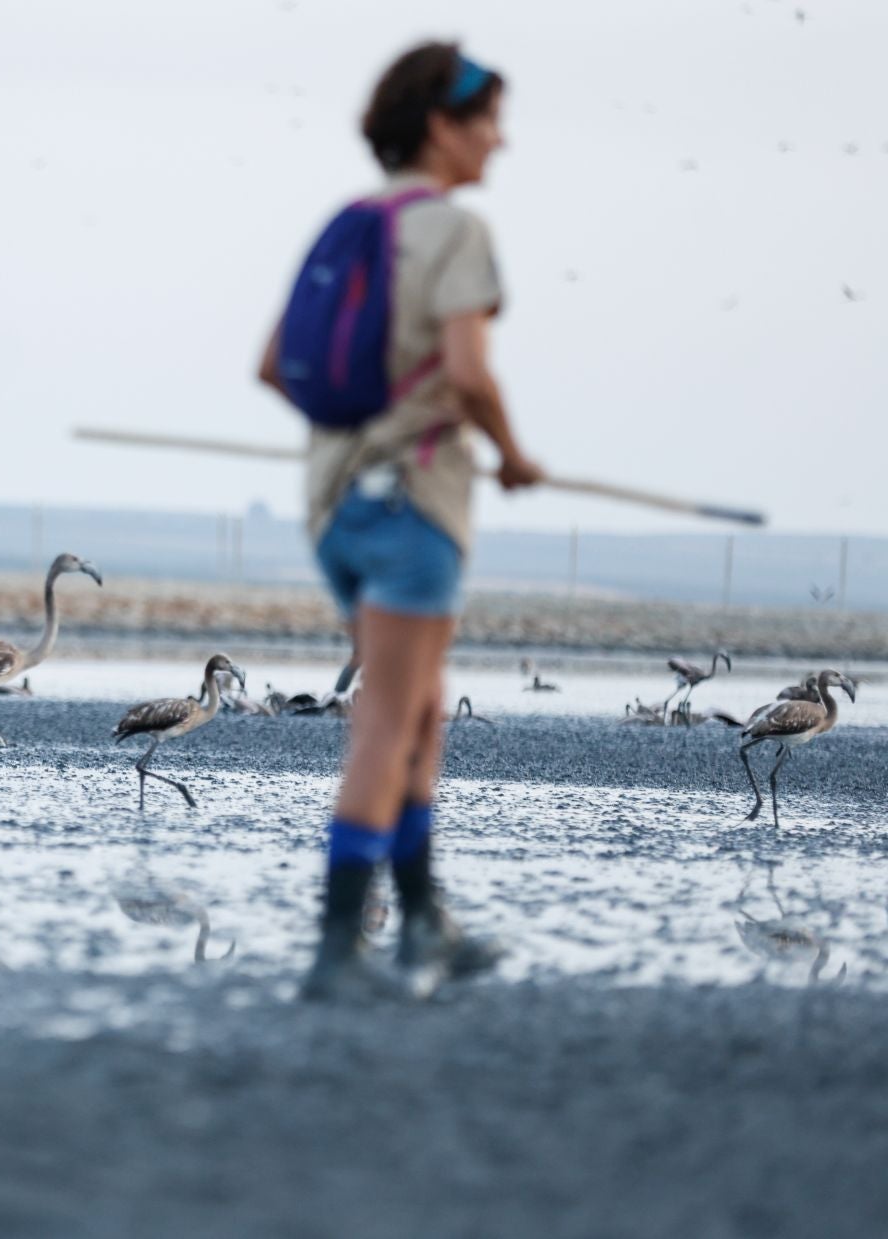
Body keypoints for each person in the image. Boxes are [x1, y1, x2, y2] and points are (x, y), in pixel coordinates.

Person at [256, 43, 544, 1001]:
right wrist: (510, 451)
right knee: (386, 724)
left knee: (417, 711)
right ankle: (339, 954)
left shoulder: (348, 223)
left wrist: (366, 425)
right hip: (416, 508)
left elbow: (274, 366)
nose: (500, 141)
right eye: (489, 120)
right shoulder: (455, 231)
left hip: (333, 507)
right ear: (440, 124)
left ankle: (424, 922)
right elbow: (468, 373)